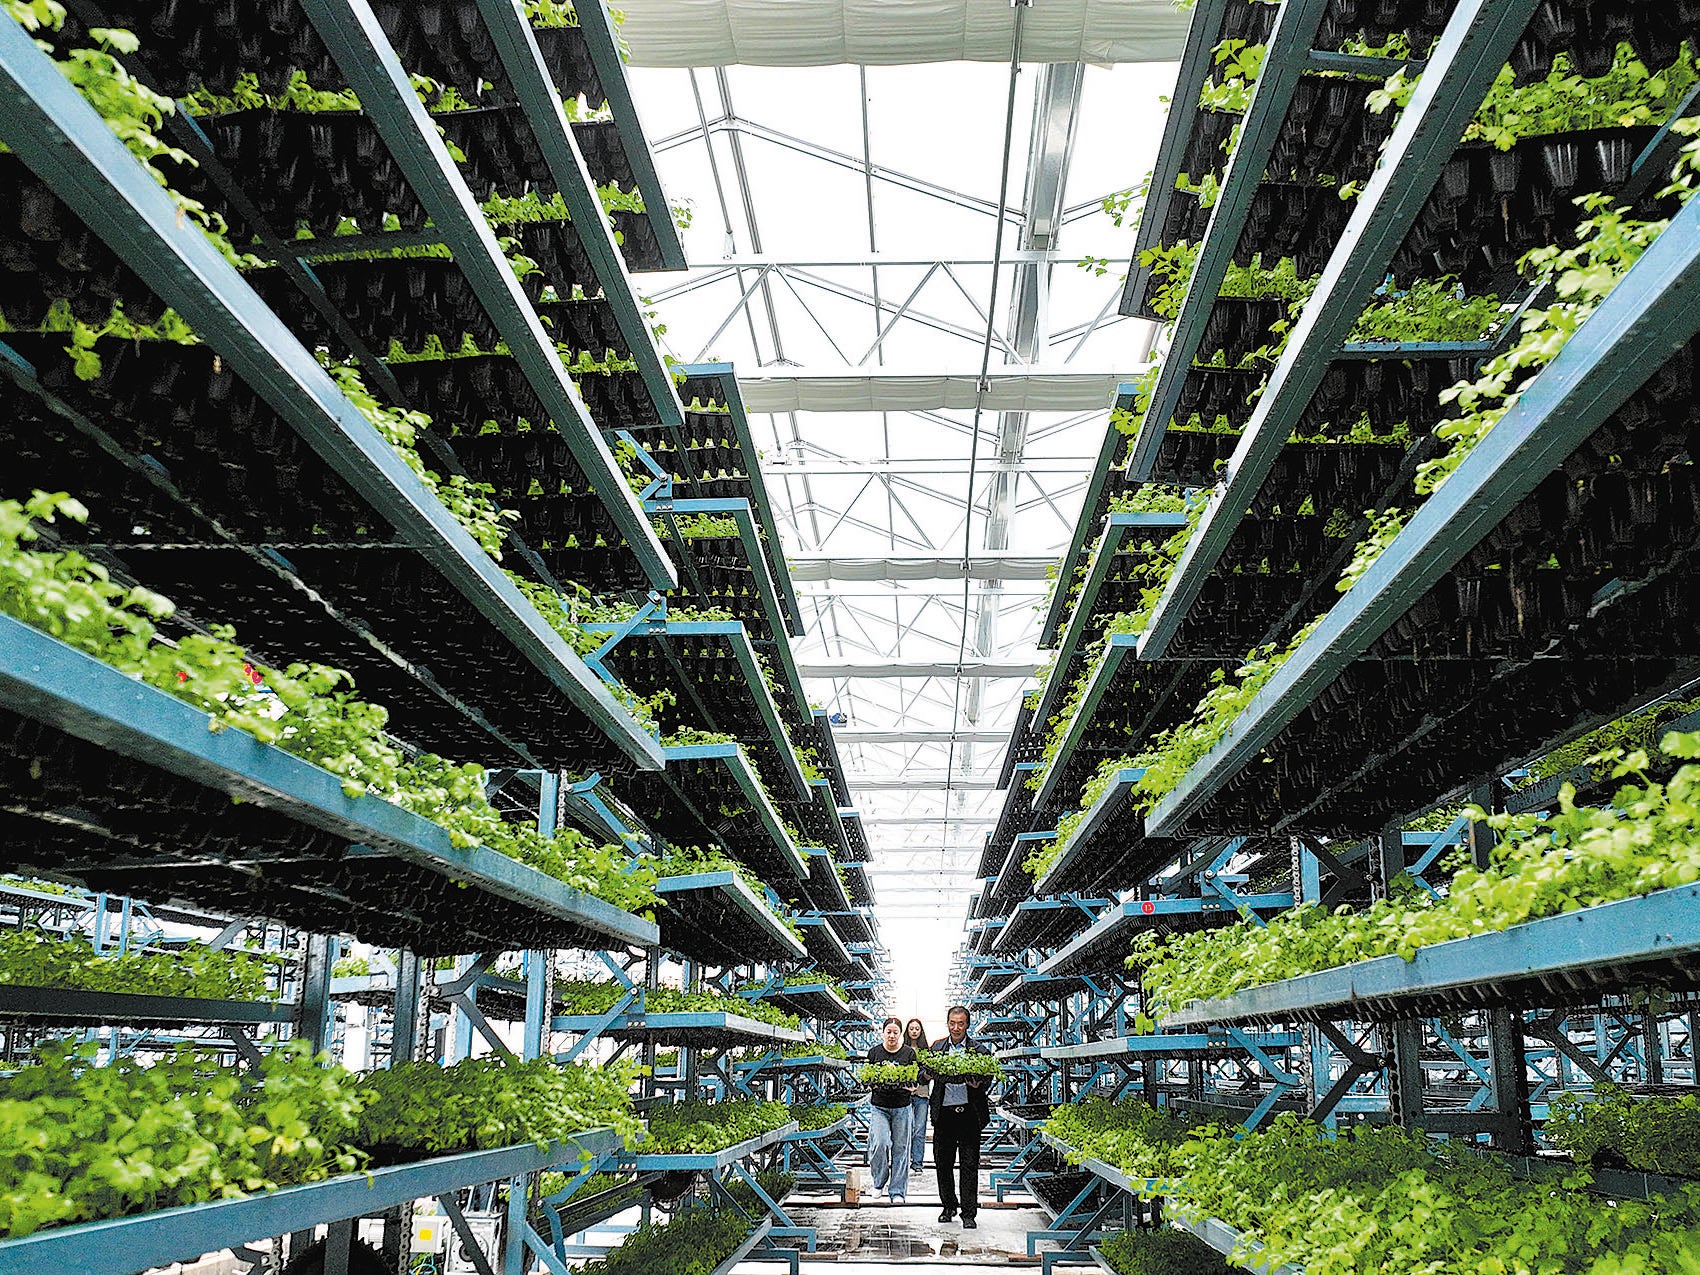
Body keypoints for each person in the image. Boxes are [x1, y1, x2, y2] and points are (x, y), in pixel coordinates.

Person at [925, 1004, 992, 1228]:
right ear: (948, 1024)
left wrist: (978, 1084)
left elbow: (989, 1078)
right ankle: (948, 1206)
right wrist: (925, 1073)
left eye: (960, 1023)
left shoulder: (979, 1051)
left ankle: (969, 1213)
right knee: (943, 1163)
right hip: (944, 1115)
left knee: (969, 1164)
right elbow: (922, 1074)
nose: (956, 1028)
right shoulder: (936, 1048)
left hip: (969, 1115)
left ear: (967, 1025)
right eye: (952, 1023)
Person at [864, 1015, 916, 1204]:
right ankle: (879, 1182)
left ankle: (897, 1192)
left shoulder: (909, 1053)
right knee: (879, 1143)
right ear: (883, 1032)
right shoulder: (874, 1053)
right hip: (880, 1106)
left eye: (895, 1032)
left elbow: (914, 1079)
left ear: (900, 1034)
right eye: (889, 1032)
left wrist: (913, 1086)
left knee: (901, 1149)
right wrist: (871, 1083)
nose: (892, 1036)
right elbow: (866, 1078)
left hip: (902, 1107)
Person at [903, 1018, 929, 1170]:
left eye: (916, 1029)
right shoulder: (901, 1050)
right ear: (907, 1031)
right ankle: (904, 1161)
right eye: (911, 1028)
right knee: (904, 1129)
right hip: (905, 1094)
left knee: (919, 1129)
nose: (914, 1031)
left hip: (922, 1093)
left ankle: (917, 1163)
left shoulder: (926, 1051)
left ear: (921, 1031)